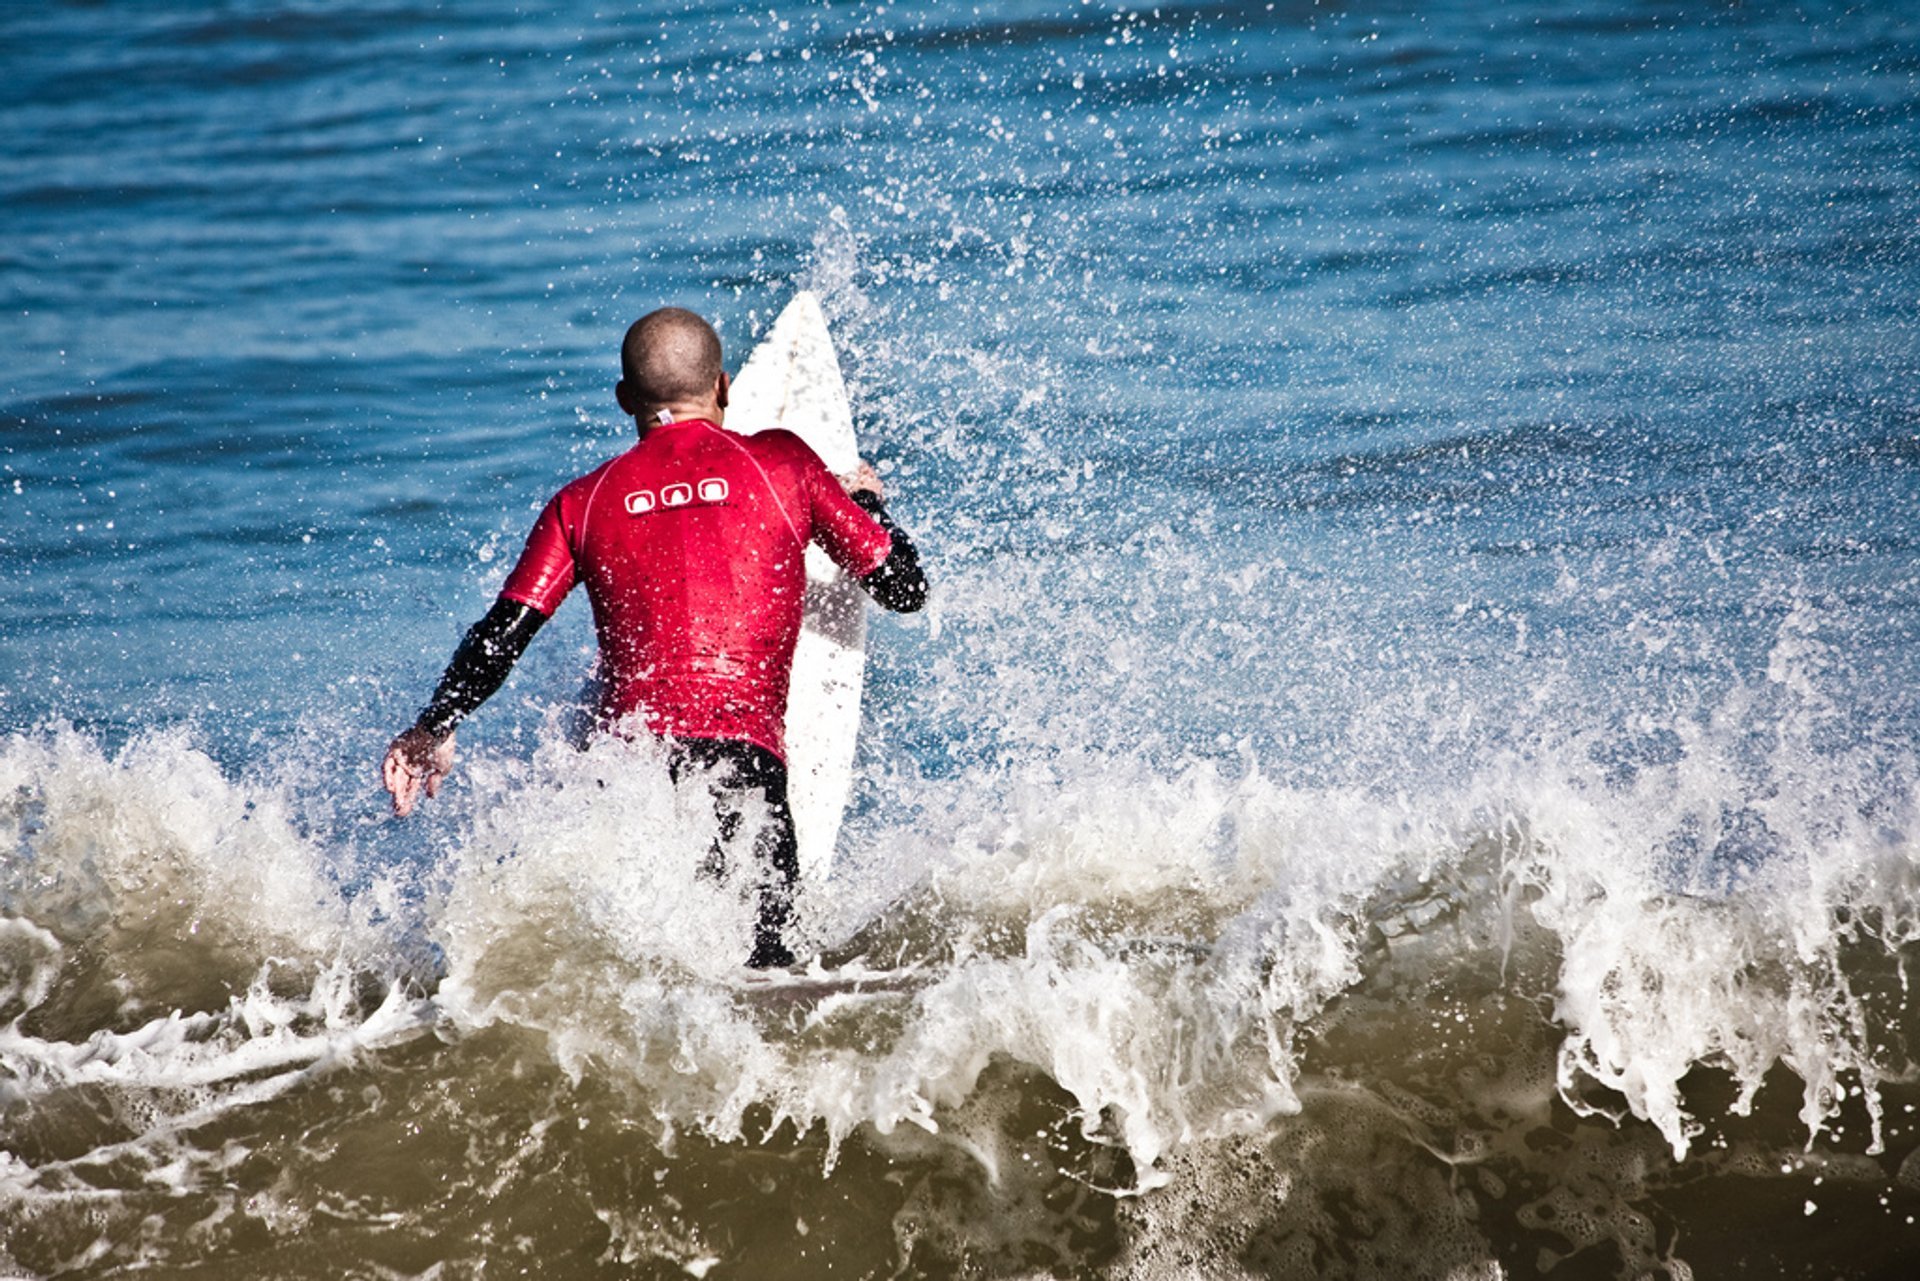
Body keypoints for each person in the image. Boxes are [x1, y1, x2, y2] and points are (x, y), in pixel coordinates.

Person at [380, 306, 928, 968]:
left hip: (626, 782)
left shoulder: (582, 501)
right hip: (740, 772)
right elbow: (903, 587)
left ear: (623, 400)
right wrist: (863, 500)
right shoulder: (785, 465)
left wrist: (434, 726)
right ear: (724, 386)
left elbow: (501, 634)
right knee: (770, 992)